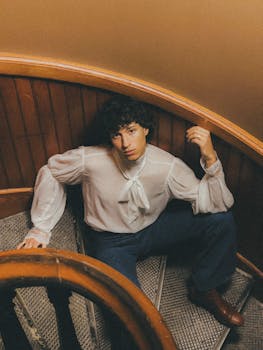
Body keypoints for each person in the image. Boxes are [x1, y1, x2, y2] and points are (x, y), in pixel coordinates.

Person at [17, 96, 244, 328]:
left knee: (221, 219)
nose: (126, 143)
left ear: (145, 129)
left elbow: (217, 202)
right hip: (111, 241)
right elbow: (52, 171)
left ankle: (204, 288)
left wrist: (210, 158)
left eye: (131, 131)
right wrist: (40, 229)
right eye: (117, 135)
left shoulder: (167, 166)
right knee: (133, 313)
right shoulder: (91, 160)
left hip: (153, 229)